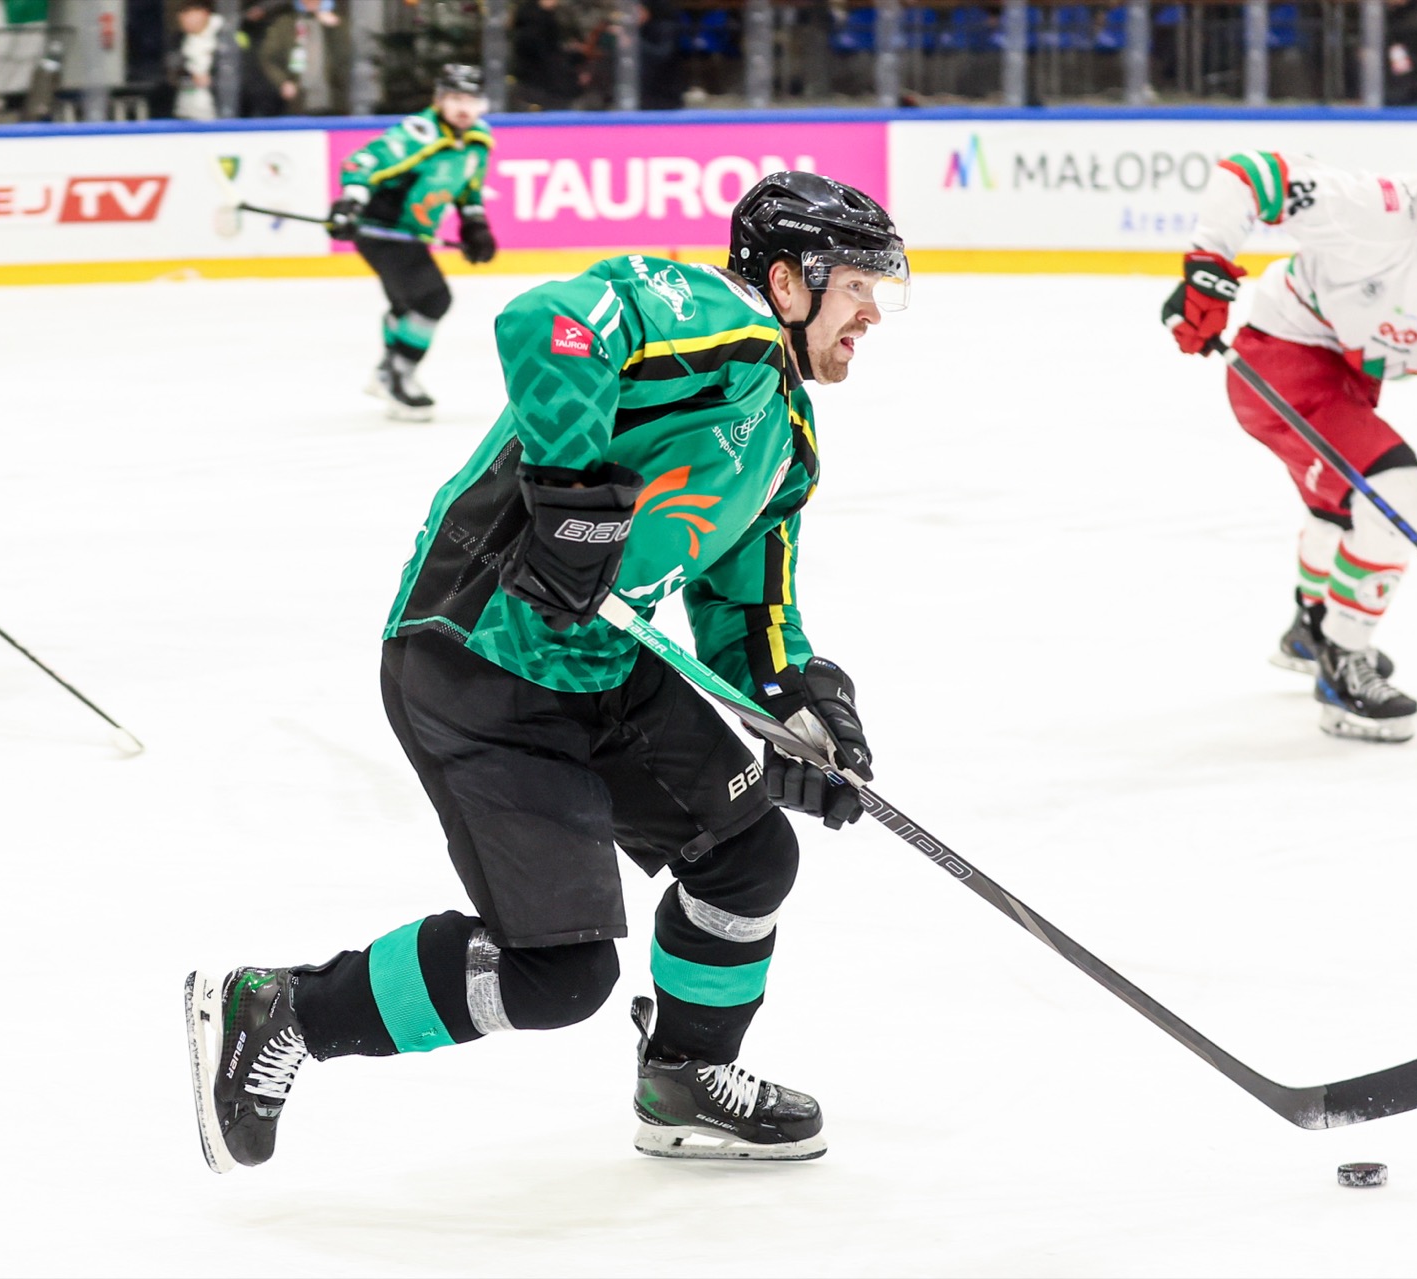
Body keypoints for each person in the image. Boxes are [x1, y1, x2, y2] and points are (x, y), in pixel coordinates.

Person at [184, 171, 910, 1171]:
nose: (872, 311)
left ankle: (684, 1075)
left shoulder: (788, 444)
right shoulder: (717, 318)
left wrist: (803, 707)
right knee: (558, 975)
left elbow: (749, 612)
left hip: (603, 665)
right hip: (476, 655)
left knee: (747, 859)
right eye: (856, 285)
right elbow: (552, 321)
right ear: (786, 282)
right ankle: (286, 1011)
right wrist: (571, 493)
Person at [1161, 102, 1417, 743]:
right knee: (1400, 495)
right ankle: (1343, 660)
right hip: (1281, 362)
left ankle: (1310, 629)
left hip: (1347, 382)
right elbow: (1250, 173)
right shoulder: (1373, 208)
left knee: (1345, 506)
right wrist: (1208, 268)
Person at [326, 64, 498, 421]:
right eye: (454, 98)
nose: (462, 107)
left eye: (470, 99)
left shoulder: (478, 139)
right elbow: (362, 162)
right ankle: (398, 375)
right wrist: (350, 202)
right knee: (433, 298)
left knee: (407, 305)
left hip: (411, 234)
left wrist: (474, 224)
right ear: (439, 100)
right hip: (380, 229)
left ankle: (386, 372)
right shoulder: (420, 132)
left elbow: (469, 188)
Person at [253, 0, 351, 114]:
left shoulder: (340, 22)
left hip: (334, 102)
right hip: (298, 103)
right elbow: (268, 57)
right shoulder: (285, 24)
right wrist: (282, 82)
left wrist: (335, 29)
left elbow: (347, 57)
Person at [169, 0, 222, 121]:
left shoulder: (224, 38)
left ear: (204, 13)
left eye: (188, 13)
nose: (183, 18)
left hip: (221, 114)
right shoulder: (178, 40)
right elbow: (171, 72)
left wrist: (212, 81)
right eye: (182, 14)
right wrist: (190, 79)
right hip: (185, 112)